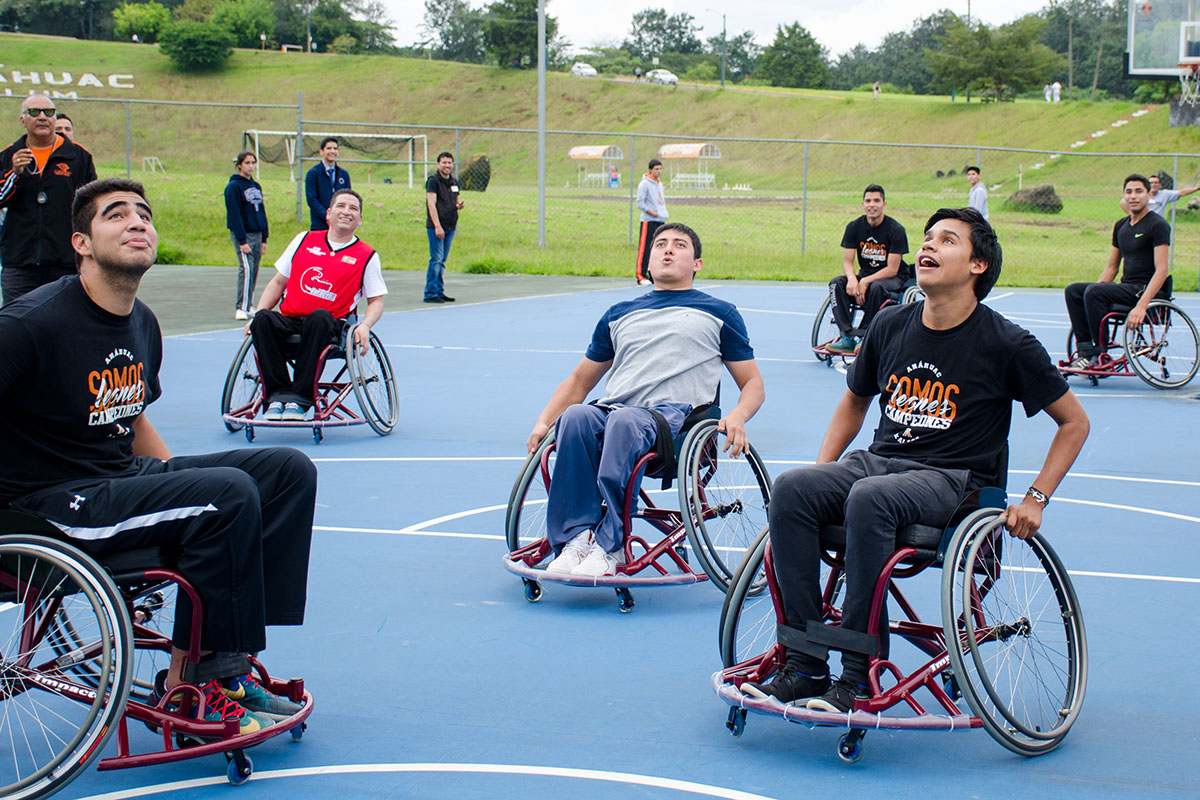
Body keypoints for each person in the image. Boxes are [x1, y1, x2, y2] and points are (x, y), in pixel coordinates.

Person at [0, 177, 316, 734]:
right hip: (45, 505)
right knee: (225, 494)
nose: (136, 222)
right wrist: (203, 494)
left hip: (115, 480)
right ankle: (195, 681)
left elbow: (133, 414)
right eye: (115, 215)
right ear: (81, 243)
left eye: (143, 214)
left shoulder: (141, 322)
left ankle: (227, 658)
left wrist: (175, 483)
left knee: (285, 471)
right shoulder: (31, 323)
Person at [744, 207, 1089, 713]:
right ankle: (804, 664)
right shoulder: (891, 324)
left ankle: (857, 674)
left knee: (869, 498)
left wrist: (1036, 498)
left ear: (977, 266)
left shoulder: (1007, 342)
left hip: (953, 481)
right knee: (795, 489)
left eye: (947, 240)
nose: (928, 246)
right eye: (927, 238)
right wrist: (824, 468)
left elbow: (1074, 423)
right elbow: (854, 401)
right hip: (880, 463)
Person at [527, 222, 765, 577]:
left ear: (697, 263)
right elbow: (579, 380)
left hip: (675, 422)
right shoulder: (619, 313)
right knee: (575, 417)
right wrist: (544, 421)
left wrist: (739, 415)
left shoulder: (719, 312)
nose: (668, 250)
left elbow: (753, 383)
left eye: (679, 245)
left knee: (626, 421)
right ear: (648, 260)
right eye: (660, 244)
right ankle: (576, 540)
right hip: (615, 411)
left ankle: (612, 547)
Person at [250, 188, 386, 421]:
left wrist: (364, 325)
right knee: (262, 320)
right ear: (328, 213)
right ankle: (277, 395)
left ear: (360, 220)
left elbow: (376, 301)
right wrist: (258, 312)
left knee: (319, 316)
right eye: (341, 206)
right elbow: (278, 282)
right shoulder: (304, 239)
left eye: (353, 209)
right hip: (291, 320)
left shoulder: (367, 255)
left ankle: (301, 399)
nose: (347, 212)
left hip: (331, 325)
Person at [1065, 174, 1171, 368]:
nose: (1133, 196)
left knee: (1094, 292)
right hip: (1127, 287)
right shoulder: (1121, 226)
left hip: (1146, 290)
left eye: (1139, 191)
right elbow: (1112, 267)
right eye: (1128, 192)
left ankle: (1100, 352)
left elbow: (1162, 271)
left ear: (1149, 195)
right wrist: (1089, 294)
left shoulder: (1158, 225)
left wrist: (1141, 306)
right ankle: (1086, 352)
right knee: (1074, 291)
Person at [0, 94, 97, 303]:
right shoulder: (8, 156)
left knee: (65, 322)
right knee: (16, 325)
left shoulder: (78, 156)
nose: (42, 117)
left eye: (49, 112)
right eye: (34, 112)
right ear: (23, 120)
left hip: (65, 261)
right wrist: (15, 173)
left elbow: (92, 206)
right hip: (20, 261)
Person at [826, 184, 909, 355]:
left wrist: (865, 281)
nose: (872, 205)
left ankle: (865, 335)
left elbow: (892, 269)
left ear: (884, 204)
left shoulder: (896, 230)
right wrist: (852, 279)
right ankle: (846, 336)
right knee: (836, 283)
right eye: (868, 201)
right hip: (866, 275)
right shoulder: (854, 227)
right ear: (863, 204)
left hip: (892, 277)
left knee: (876, 287)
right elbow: (848, 261)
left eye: (877, 201)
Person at [225, 150, 269, 321]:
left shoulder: (256, 186)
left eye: (253, 162)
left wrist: (264, 238)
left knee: (254, 270)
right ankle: (241, 307)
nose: (251, 166)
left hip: (257, 234)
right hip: (244, 235)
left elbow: (261, 212)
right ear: (239, 165)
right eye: (247, 163)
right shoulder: (233, 187)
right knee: (247, 268)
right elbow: (234, 215)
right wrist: (242, 240)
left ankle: (249, 304)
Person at [423, 151, 463, 304]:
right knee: (436, 258)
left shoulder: (454, 182)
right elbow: (431, 204)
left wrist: (458, 206)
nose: (447, 165)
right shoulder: (433, 181)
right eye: (444, 162)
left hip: (450, 225)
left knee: (442, 260)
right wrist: (437, 226)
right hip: (436, 227)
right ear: (438, 164)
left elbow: (455, 200)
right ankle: (430, 292)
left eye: (449, 163)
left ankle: (439, 290)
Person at [304, 137, 350, 231]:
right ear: (321, 151)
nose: (332, 151)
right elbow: (312, 200)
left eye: (335, 148)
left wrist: (340, 216)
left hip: (339, 225)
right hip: (319, 225)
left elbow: (348, 198)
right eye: (328, 148)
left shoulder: (343, 174)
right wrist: (327, 216)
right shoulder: (313, 173)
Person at [634, 159, 668, 285]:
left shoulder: (659, 184)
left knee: (658, 248)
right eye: (656, 169)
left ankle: (654, 275)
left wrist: (662, 214)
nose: (659, 171)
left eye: (660, 169)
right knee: (645, 248)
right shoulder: (644, 184)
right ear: (650, 170)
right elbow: (640, 203)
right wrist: (651, 212)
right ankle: (641, 275)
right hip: (649, 221)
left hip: (660, 220)